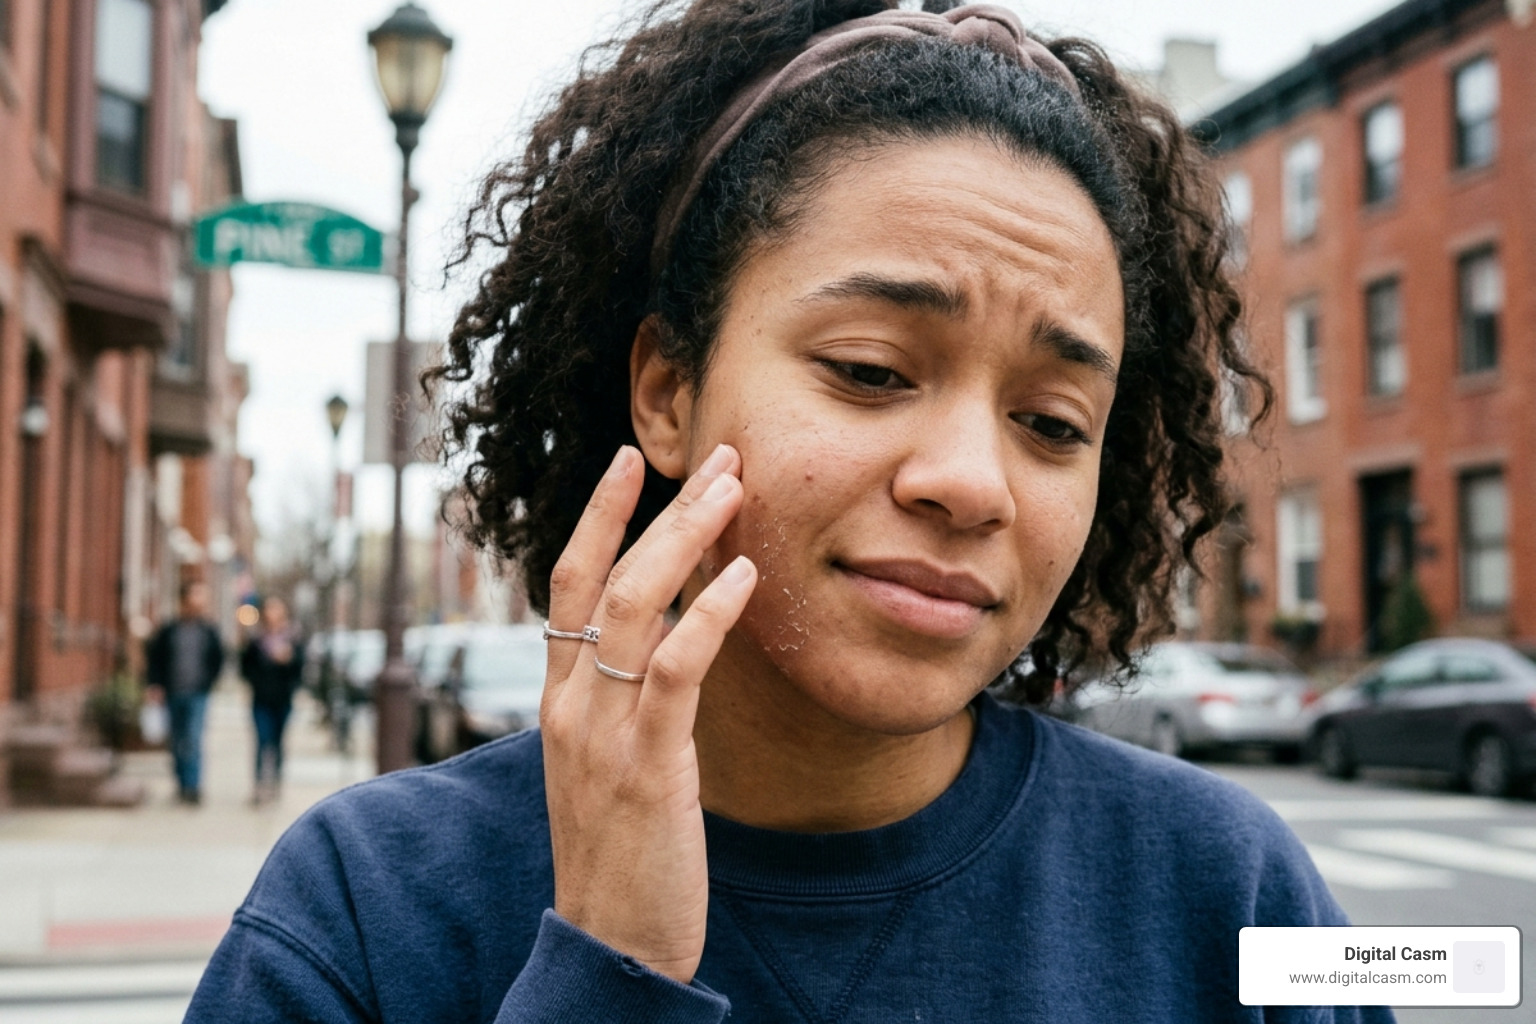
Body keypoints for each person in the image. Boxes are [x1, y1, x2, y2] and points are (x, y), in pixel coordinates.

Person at [187, 2, 1395, 1021]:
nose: (972, 481)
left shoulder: (1234, 898)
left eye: (1053, 423)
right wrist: (609, 971)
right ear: (667, 391)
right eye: (871, 369)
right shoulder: (362, 912)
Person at [143, 580, 224, 805]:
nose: (199, 603)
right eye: (194, 597)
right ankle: (181, 783)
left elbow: (218, 659)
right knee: (177, 740)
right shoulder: (169, 630)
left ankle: (193, 787)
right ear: (184, 601)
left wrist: (208, 682)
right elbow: (155, 660)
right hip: (172, 693)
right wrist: (154, 685)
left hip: (198, 694)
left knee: (194, 738)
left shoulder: (208, 631)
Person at [238, 596, 304, 805]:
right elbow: (245, 668)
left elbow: (301, 670)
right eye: (269, 609)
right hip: (261, 699)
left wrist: (289, 660)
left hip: (283, 699)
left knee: (278, 742)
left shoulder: (293, 639)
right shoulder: (256, 640)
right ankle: (259, 785)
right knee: (262, 740)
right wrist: (259, 679)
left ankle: (275, 782)